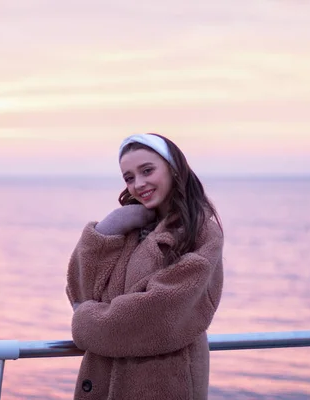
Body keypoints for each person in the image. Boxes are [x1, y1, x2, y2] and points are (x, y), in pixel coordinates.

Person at [65, 133, 224, 399]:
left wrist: (86, 322)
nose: (138, 184)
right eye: (128, 177)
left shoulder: (202, 233)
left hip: (164, 383)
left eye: (147, 170)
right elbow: (81, 292)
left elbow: (158, 315)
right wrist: (107, 230)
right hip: (107, 381)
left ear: (174, 169)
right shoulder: (129, 228)